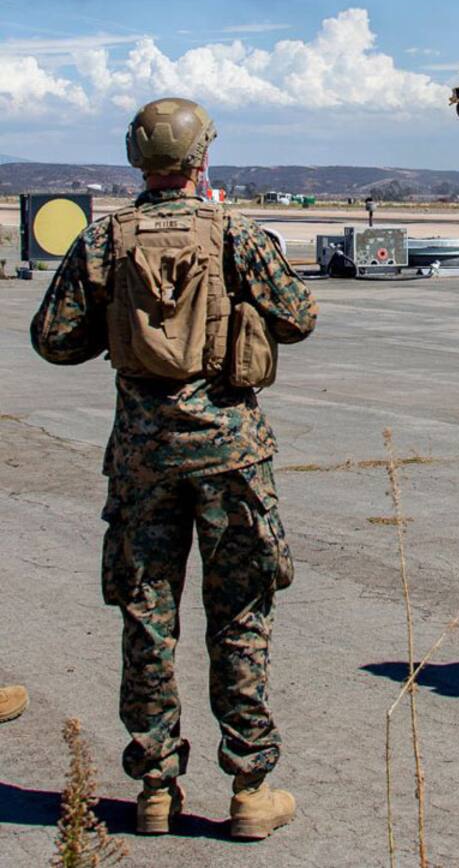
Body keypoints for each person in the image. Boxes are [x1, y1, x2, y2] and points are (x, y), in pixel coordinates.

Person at [31, 98, 319, 836]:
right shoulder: (237, 235)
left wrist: (121, 324)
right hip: (231, 458)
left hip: (143, 458)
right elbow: (298, 316)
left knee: (147, 619)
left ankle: (157, 786)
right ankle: (251, 789)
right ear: (201, 161)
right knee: (241, 620)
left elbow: (55, 339)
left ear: (140, 161)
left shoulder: (104, 239)